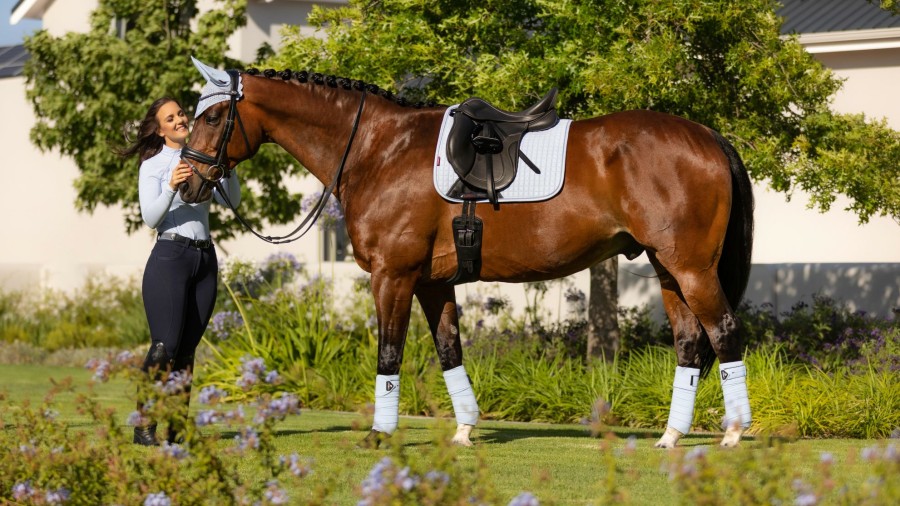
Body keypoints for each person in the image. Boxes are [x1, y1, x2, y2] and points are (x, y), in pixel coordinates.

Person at [119, 97, 241, 446]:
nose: (179, 120)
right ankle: (144, 425)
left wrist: (229, 169)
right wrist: (172, 186)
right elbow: (150, 218)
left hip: (205, 260)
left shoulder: (203, 154)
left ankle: (175, 429)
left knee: (187, 351)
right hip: (170, 257)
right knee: (164, 347)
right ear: (159, 129)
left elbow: (231, 202)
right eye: (169, 118)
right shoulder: (154, 166)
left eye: (181, 114)